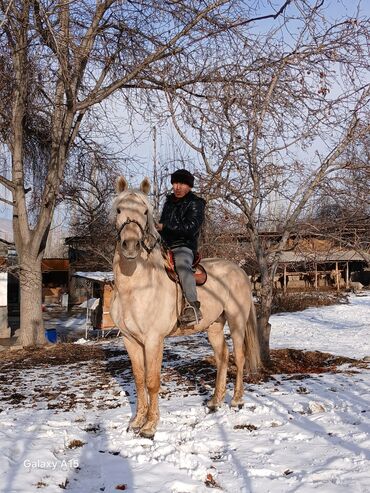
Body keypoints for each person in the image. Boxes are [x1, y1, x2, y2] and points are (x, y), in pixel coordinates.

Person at [156, 169, 206, 326]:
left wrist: (165, 226)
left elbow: (191, 227)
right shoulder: (169, 203)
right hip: (164, 246)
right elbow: (162, 227)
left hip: (183, 246)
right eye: (175, 183)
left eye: (182, 183)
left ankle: (192, 307)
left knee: (182, 266)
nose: (178, 187)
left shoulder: (196, 203)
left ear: (189, 186)